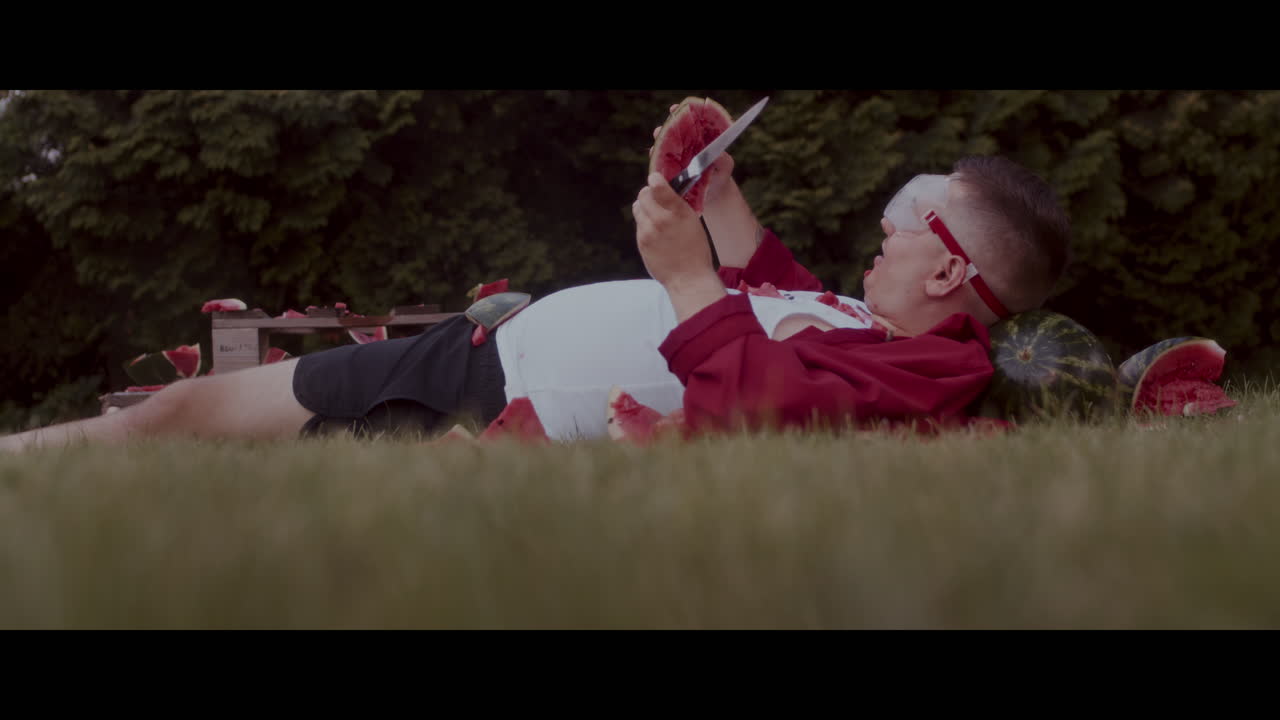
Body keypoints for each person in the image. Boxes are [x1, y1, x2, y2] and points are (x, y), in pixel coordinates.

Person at [0, 116, 1071, 452]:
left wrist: (689, 279)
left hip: (475, 391)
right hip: (481, 355)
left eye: (899, 227)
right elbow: (767, 277)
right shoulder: (866, 320)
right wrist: (716, 181)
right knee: (182, 422)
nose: (875, 239)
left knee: (187, 416)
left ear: (946, 267)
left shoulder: (927, 375)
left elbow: (767, 407)